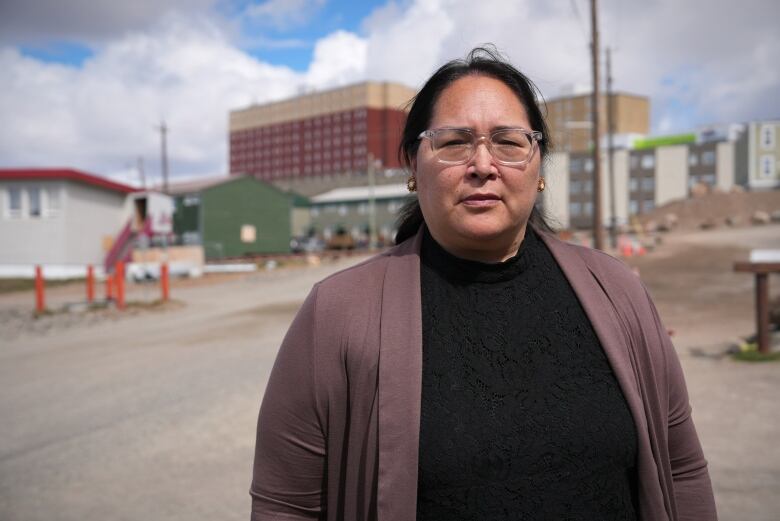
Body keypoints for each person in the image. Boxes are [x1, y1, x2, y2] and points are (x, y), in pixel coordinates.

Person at [250, 47, 717, 521]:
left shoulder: (616, 290)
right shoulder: (339, 312)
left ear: (539, 169)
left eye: (508, 142)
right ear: (413, 166)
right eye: (453, 142)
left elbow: (680, 469)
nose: (482, 164)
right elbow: (286, 505)